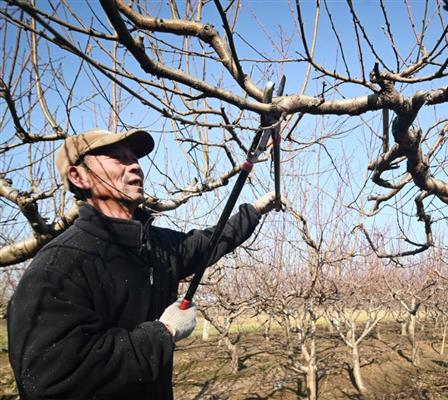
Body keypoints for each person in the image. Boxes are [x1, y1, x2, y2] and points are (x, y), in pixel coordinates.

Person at [7, 128, 279, 400]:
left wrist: (253, 211)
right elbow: (51, 379)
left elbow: (207, 244)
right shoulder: (58, 266)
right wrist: (163, 332)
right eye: (118, 158)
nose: (135, 165)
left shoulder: (152, 245)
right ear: (79, 177)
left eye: (134, 158)